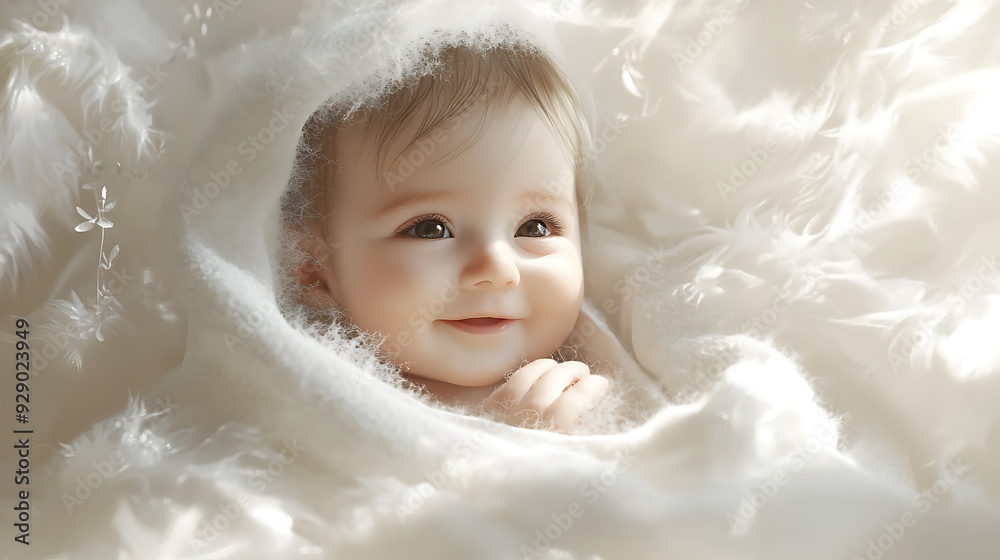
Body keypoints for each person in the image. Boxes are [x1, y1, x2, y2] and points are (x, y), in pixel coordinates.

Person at [287, 40, 613, 432]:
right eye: (431, 229)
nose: (497, 269)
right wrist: (509, 451)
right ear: (312, 269)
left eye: (535, 227)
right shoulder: (322, 412)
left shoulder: (609, 371)